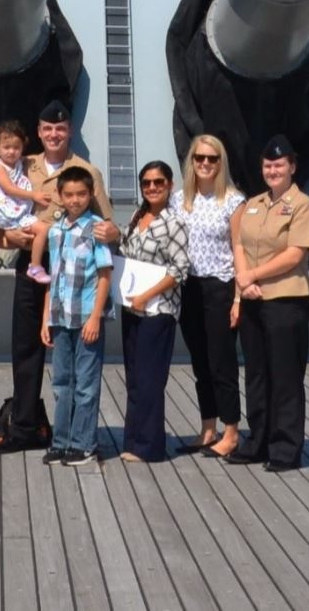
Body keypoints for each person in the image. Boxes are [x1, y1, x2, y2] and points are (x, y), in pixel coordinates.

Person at [0, 100, 119, 454]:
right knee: (26, 345)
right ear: (38, 132)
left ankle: (75, 435)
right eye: (47, 129)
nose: (53, 135)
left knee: (74, 358)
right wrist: (6, 239)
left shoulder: (86, 172)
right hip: (32, 263)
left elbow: (109, 225)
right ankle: (25, 424)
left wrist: (112, 234)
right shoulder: (21, 165)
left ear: (70, 132)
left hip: (74, 268)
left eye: (60, 129)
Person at [228, 135, 309, 472]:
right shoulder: (252, 205)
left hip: (286, 299)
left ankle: (285, 449)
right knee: (256, 375)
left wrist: (251, 275)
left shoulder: (302, 206)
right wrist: (244, 281)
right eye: (268, 165)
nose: (273, 170)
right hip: (253, 299)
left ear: (292, 167)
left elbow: (295, 254)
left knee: (285, 377)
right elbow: (238, 242)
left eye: (279, 165)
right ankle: (258, 441)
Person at [172, 135, 245, 457]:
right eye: (199, 158)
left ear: (221, 162)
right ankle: (208, 427)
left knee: (222, 362)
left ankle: (231, 431)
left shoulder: (232, 201)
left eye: (212, 159)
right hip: (189, 287)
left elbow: (239, 248)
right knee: (200, 362)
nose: (205, 164)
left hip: (220, 286)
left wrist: (239, 297)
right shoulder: (178, 200)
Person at [40, 166, 113, 466]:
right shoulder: (56, 230)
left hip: (86, 317)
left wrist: (96, 316)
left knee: (86, 383)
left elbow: (105, 274)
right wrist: (46, 317)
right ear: (59, 196)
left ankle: (84, 443)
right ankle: (62, 441)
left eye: (81, 194)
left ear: (91, 194)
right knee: (62, 382)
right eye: (68, 194)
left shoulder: (96, 228)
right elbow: (53, 276)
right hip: (60, 316)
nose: (75, 200)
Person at [119, 161, 190, 462]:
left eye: (158, 182)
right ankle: (133, 441)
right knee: (134, 377)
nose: (152, 187)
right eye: (146, 183)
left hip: (158, 308)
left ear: (170, 185)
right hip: (132, 307)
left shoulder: (174, 222)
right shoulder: (138, 216)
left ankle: (150, 447)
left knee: (150, 378)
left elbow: (181, 268)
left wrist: (147, 295)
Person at [0, 120, 52, 283]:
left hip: (19, 210)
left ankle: (35, 265)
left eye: (16, 147)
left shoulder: (19, 162)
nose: (11, 152)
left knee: (42, 231)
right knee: (42, 229)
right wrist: (33, 195)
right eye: (6, 147)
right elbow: (9, 188)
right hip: (10, 213)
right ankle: (35, 266)